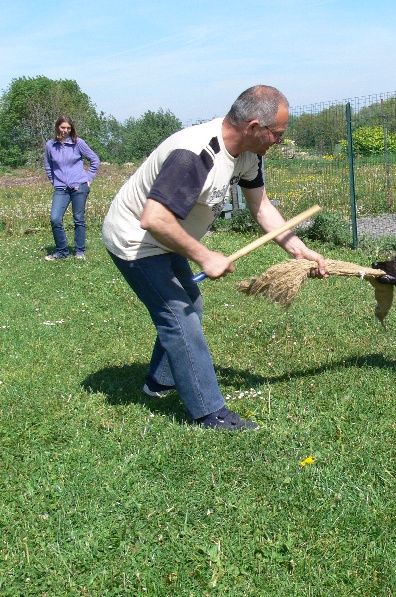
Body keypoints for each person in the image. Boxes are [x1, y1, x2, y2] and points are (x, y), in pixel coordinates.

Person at [103, 85, 327, 431]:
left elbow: (261, 206)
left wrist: (301, 252)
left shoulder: (250, 154)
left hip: (167, 238)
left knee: (192, 304)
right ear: (254, 127)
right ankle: (210, 413)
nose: (279, 142)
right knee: (179, 317)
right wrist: (206, 256)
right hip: (137, 241)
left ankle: (159, 382)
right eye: (277, 135)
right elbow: (155, 219)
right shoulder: (195, 155)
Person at [44, 116, 100, 260]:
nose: (65, 130)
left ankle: (79, 251)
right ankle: (62, 252)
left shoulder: (77, 143)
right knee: (55, 218)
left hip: (79, 186)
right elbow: (49, 166)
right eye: (63, 127)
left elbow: (94, 160)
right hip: (61, 188)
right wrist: (54, 181)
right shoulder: (50, 145)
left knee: (78, 218)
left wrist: (88, 179)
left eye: (68, 128)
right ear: (57, 127)